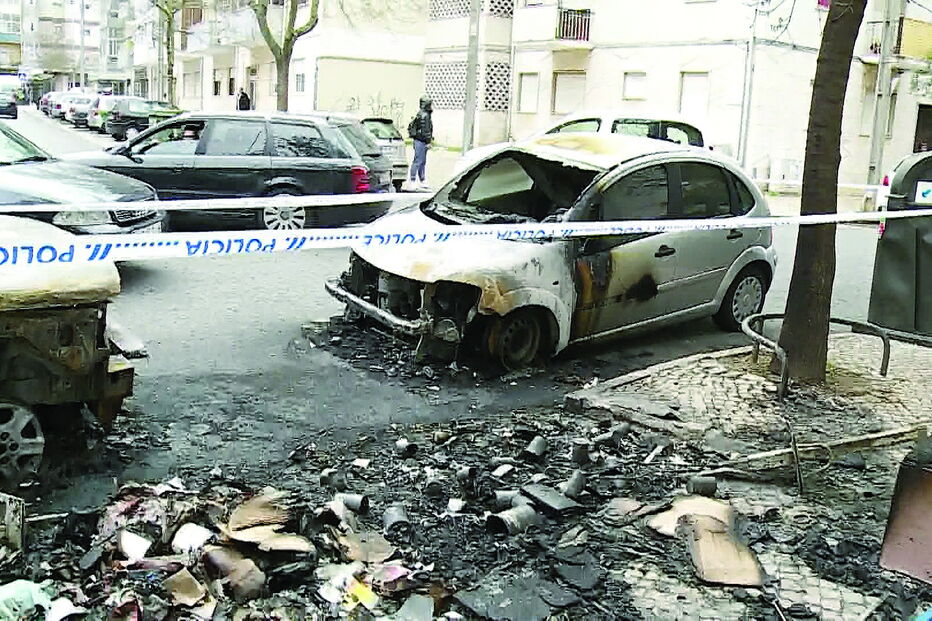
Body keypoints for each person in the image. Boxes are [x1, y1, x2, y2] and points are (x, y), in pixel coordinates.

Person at [407, 95, 433, 190]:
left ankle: (422, 180)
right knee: (418, 161)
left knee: (421, 161)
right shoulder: (425, 115)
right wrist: (428, 141)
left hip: (419, 140)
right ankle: (413, 180)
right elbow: (426, 130)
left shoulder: (421, 113)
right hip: (421, 141)